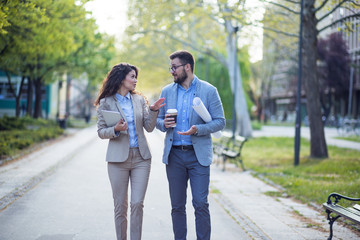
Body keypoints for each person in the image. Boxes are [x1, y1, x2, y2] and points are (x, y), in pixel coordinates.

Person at [156, 50, 225, 240]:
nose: (172, 71)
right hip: (174, 156)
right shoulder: (167, 91)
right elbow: (158, 121)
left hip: (198, 156)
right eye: (171, 68)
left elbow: (220, 122)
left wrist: (198, 129)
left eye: (175, 67)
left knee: (200, 203)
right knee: (177, 206)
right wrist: (164, 124)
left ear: (187, 67)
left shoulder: (209, 91)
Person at [95, 63, 165, 240]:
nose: (135, 81)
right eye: (132, 76)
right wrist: (116, 129)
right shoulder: (106, 102)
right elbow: (101, 132)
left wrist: (154, 111)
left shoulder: (139, 100)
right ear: (121, 78)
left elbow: (149, 127)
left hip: (141, 158)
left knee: (137, 203)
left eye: (136, 77)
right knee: (120, 206)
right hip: (117, 161)